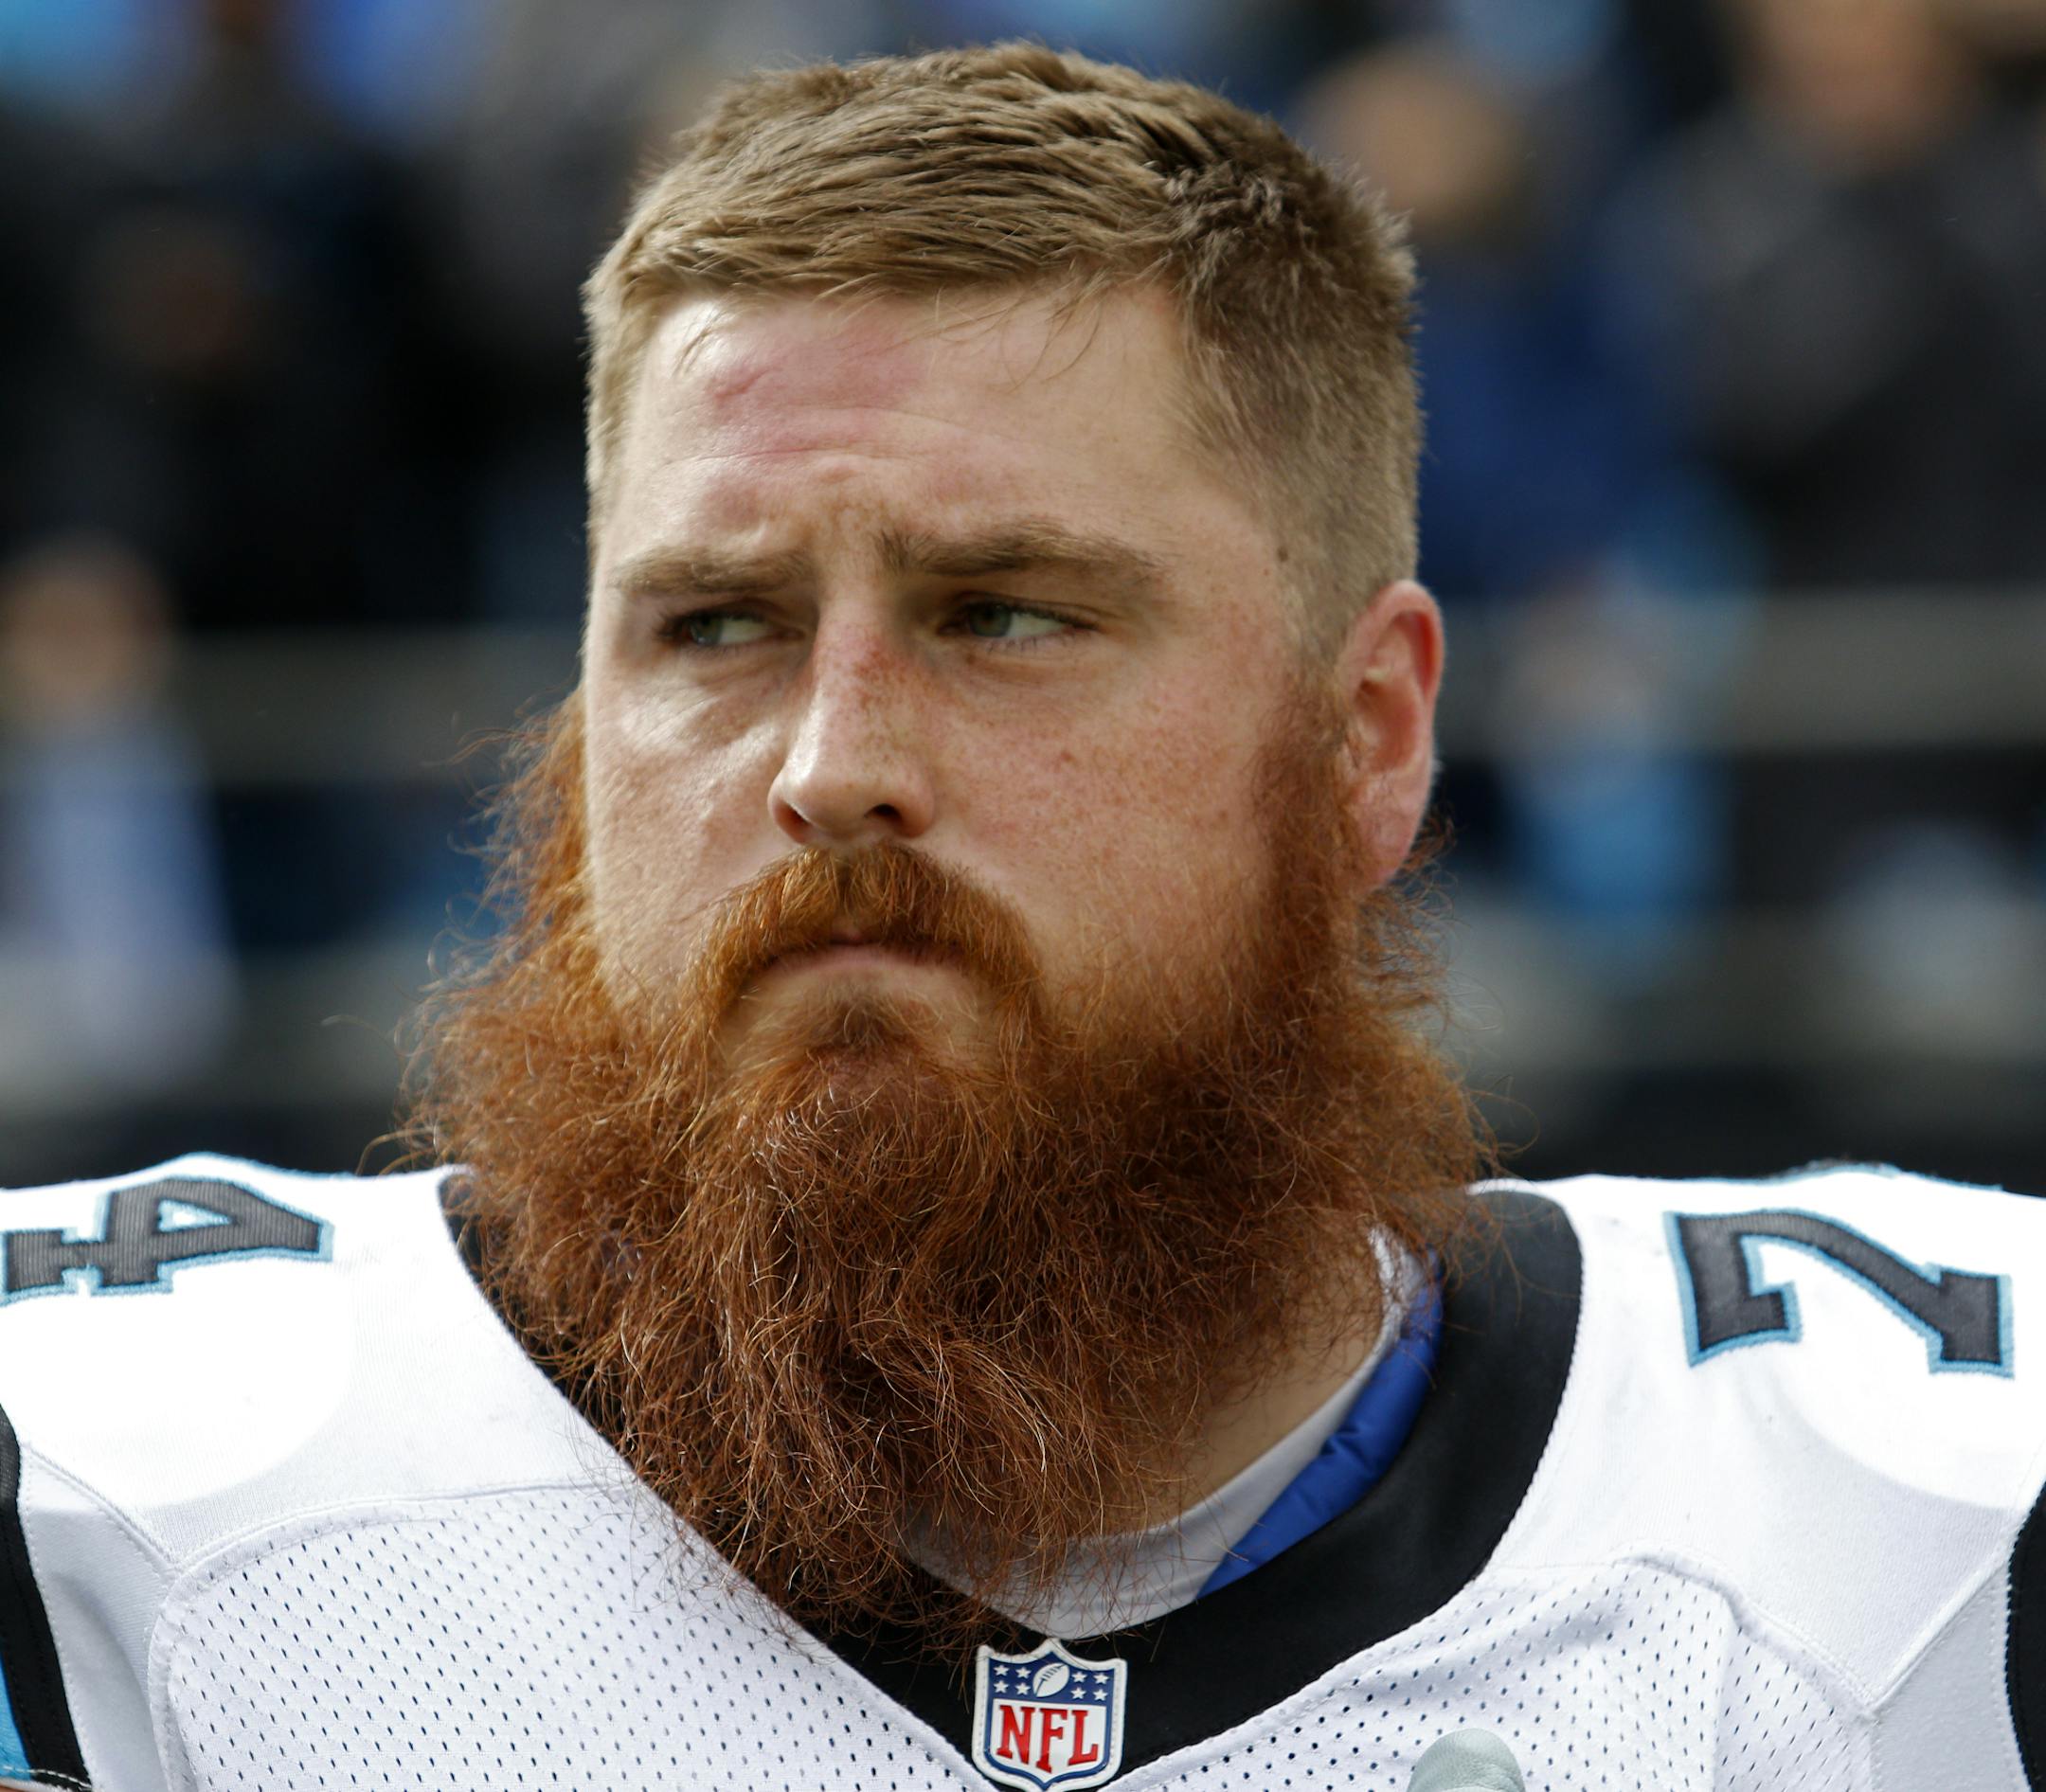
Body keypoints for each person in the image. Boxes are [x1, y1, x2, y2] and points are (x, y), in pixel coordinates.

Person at [0, 45, 2037, 1791]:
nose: (832, 765)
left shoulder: (1930, 1515)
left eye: (1005, 615)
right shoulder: (98, 1478)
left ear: (1369, 736)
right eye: (715, 623)